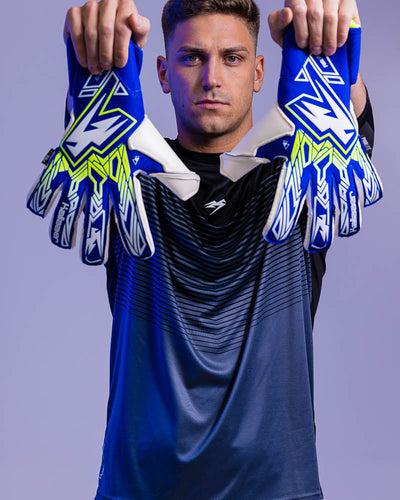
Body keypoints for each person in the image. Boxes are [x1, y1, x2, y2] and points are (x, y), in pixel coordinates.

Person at [63, 1, 375, 499]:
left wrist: (333, 55)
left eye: (231, 58)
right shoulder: (127, 179)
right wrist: (93, 44)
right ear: (161, 73)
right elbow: (93, 133)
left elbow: (346, 122)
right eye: (191, 58)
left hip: (278, 490)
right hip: (141, 489)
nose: (211, 77)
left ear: (258, 72)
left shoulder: (302, 178)